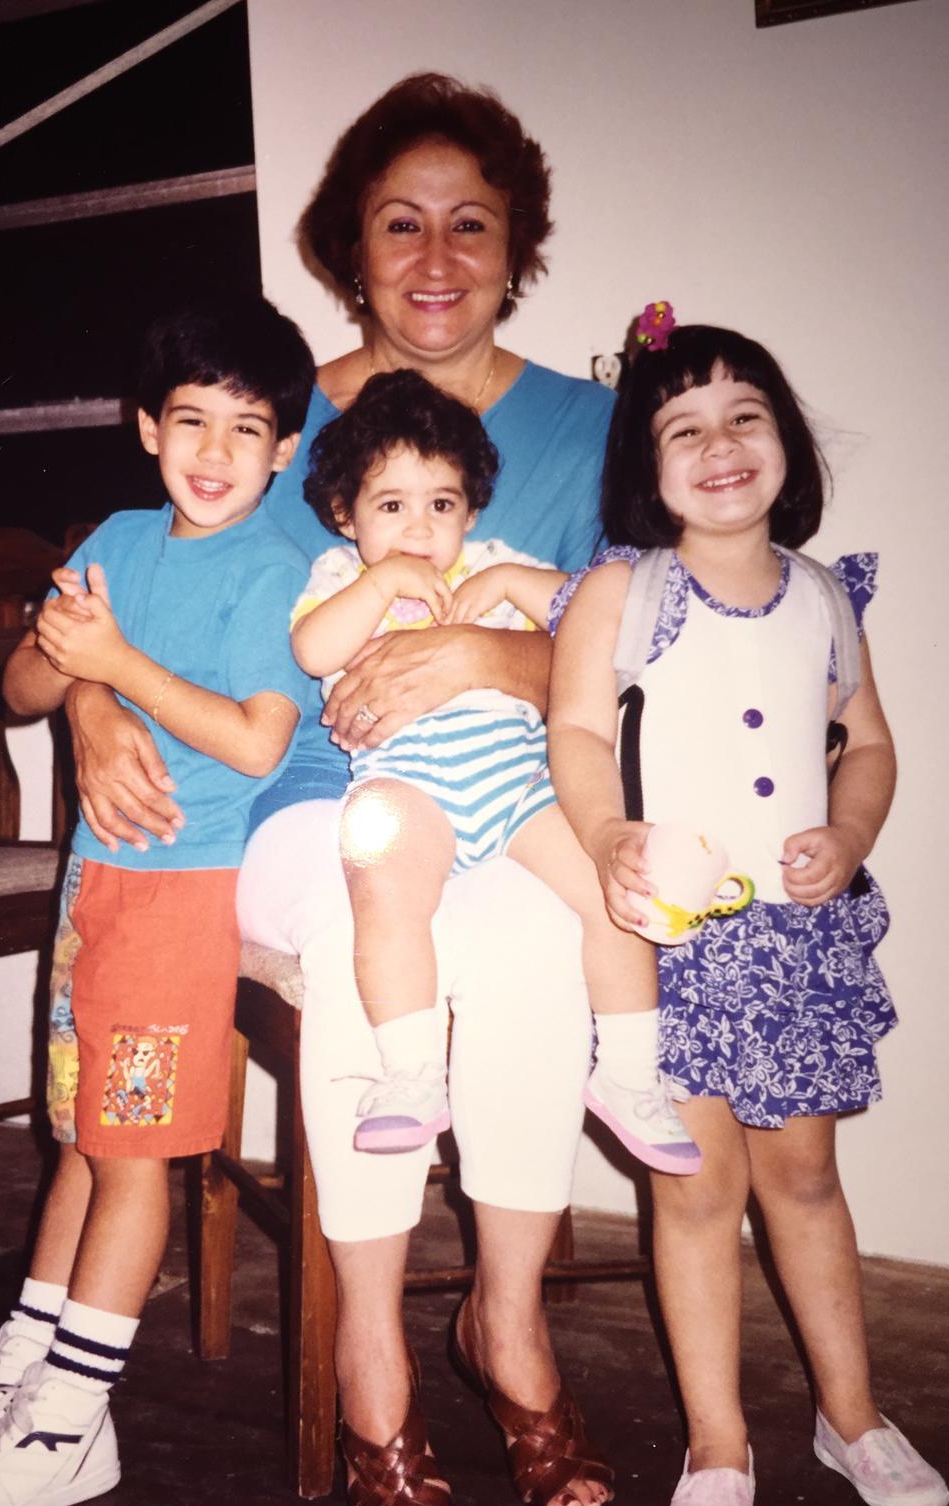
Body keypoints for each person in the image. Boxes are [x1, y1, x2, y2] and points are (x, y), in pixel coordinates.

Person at [59, 75, 618, 1506]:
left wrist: (488, 652)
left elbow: (638, 636)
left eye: (471, 225)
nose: (435, 258)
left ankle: (504, 1328)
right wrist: (96, 705)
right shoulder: (272, 405)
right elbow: (151, 592)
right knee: (372, 911)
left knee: (533, 945)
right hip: (295, 804)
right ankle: (377, 1364)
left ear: (517, 247)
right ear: (349, 248)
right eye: (398, 225)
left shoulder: (586, 425)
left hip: (495, 794)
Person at [0, 299, 314, 1506]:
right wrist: (81, 673)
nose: (217, 451)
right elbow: (22, 680)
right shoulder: (121, 536)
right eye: (191, 421)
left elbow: (254, 736)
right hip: (95, 894)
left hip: (184, 901)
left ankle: (74, 1425)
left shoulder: (275, 570)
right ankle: (23, 1364)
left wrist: (116, 666)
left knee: (132, 1156)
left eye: (248, 428)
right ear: (146, 428)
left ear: (283, 449)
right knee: (79, 1137)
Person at [547, 320, 949, 1506]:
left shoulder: (829, 596)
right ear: (645, 464)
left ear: (787, 439)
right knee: (697, 1190)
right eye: (683, 427)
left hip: (798, 944)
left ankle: (852, 1416)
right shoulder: (627, 586)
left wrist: (852, 828)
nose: (719, 446)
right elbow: (569, 729)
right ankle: (717, 1441)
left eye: (745, 416)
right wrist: (610, 834)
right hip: (681, 944)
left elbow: (868, 742)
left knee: (808, 1181)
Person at [292, 366, 698, 1173]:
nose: (418, 528)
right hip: (405, 788)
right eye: (390, 505)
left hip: (517, 784)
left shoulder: (491, 562)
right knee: (380, 885)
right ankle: (410, 1071)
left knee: (614, 890)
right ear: (345, 515)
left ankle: (628, 1072)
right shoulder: (341, 577)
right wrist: (379, 586)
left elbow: (593, 623)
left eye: (441, 504)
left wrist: (511, 579)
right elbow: (313, 650)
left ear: (471, 511)